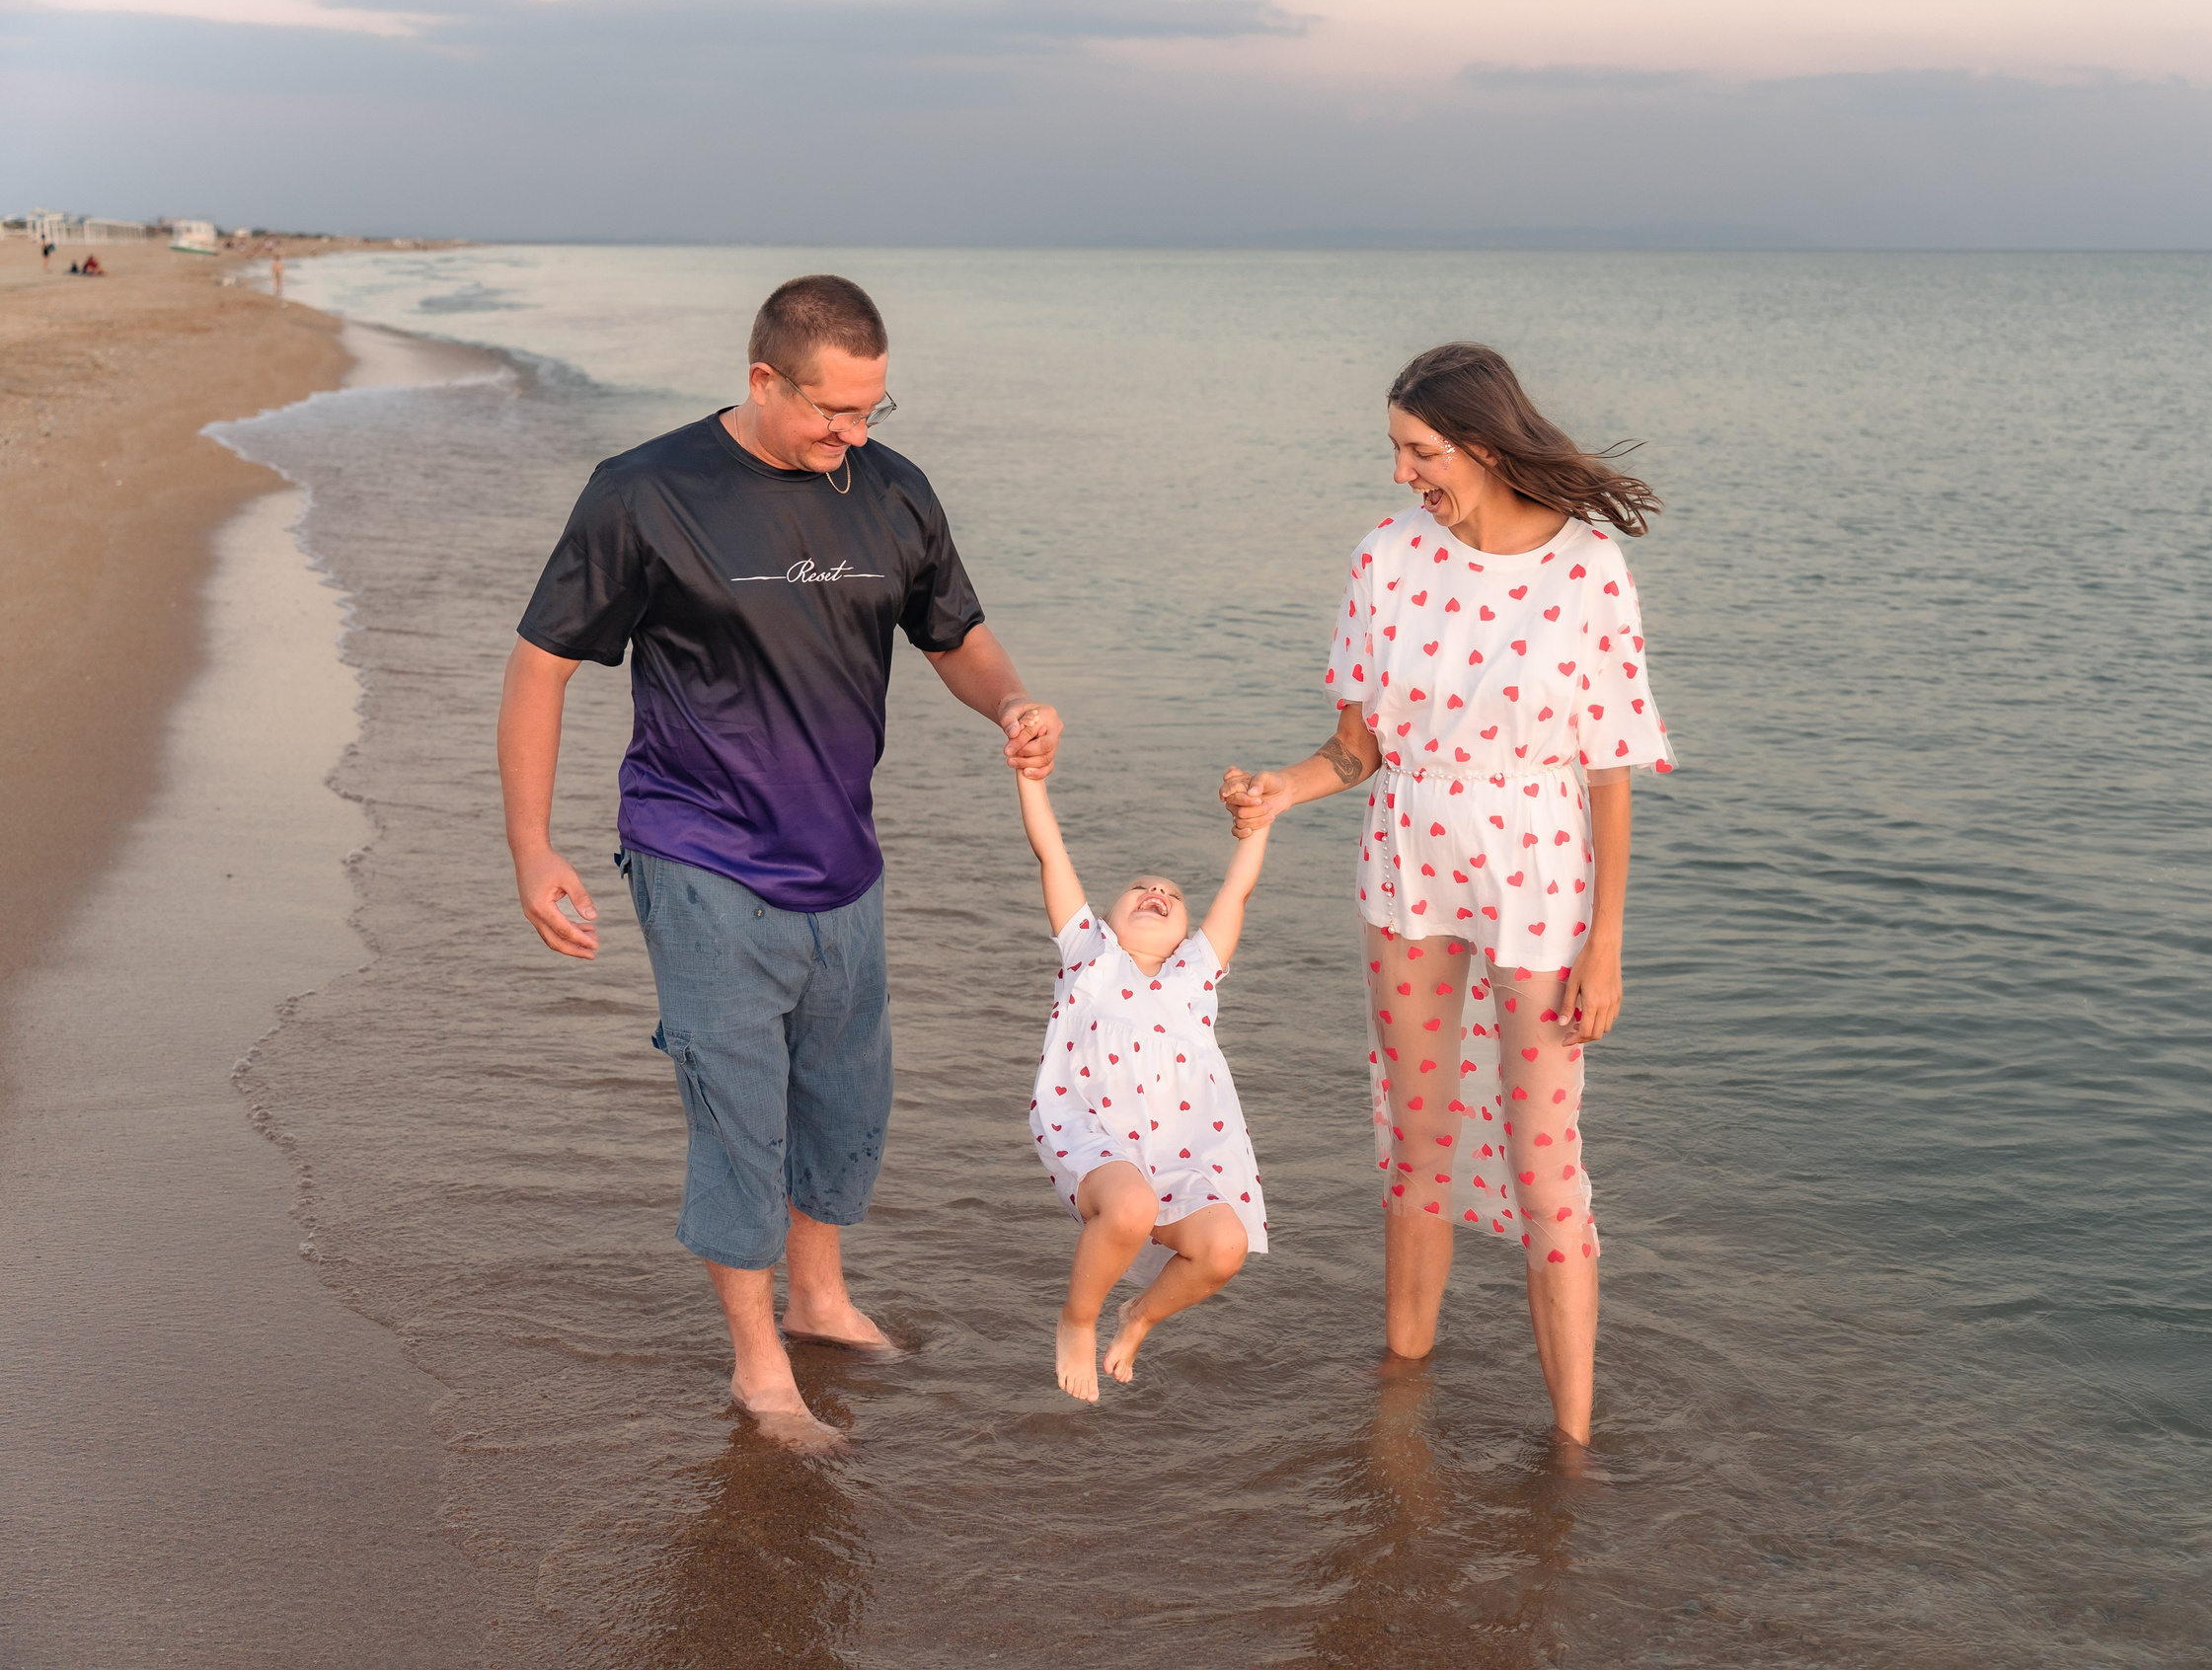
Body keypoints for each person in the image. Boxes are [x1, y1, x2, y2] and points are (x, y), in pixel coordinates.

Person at [497, 274, 1063, 1446]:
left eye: (872, 412)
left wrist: (1009, 701)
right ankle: (759, 1367)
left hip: (842, 857)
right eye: (831, 414)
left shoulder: (893, 491)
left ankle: (817, 1299)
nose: (852, 437)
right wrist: (532, 843)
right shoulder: (646, 492)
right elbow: (542, 663)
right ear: (764, 380)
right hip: (697, 848)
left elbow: (952, 632)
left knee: (845, 1098)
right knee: (737, 1107)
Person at [1220, 342, 1670, 1448]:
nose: (1400, 473)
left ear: (1479, 446)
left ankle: (1572, 1441)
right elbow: (1356, 749)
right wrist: (1282, 787)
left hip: (1540, 883)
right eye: (1395, 451)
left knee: (1541, 1160)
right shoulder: (1388, 558)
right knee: (1415, 1137)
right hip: (1408, 868)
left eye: (1417, 451)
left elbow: (1608, 770)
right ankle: (1401, 1390)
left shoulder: (1587, 568)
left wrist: (1606, 943)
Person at [1017, 748, 1271, 1402]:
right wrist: (1031, 778)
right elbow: (1051, 855)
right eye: (1141, 890)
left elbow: (1237, 891)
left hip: (1183, 1151)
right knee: (1131, 1205)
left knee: (1224, 1247)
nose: (1158, 893)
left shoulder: (1196, 976)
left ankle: (1139, 1318)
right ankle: (1077, 1321)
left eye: (1173, 896)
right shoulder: (1091, 956)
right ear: (1106, 918)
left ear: (1187, 931)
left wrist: (1260, 820)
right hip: (1093, 1132)